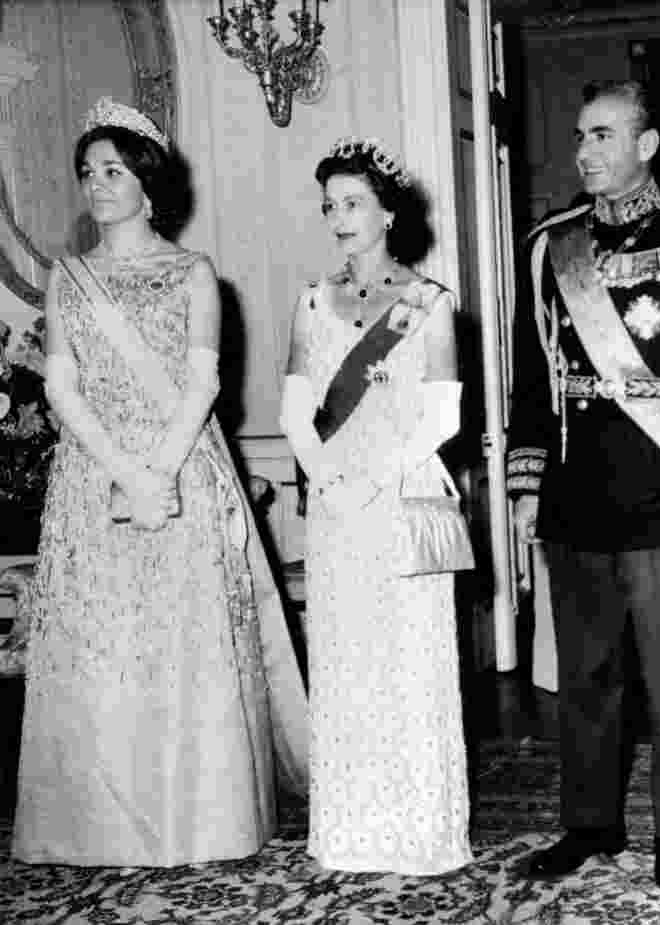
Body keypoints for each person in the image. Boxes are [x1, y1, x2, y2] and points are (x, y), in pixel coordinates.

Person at [13, 98, 308, 867]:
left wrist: (161, 471)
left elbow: (203, 381)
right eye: (87, 172)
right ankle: (99, 826)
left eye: (112, 170)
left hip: (183, 469)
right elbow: (60, 387)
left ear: (147, 183)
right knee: (103, 648)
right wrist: (123, 471)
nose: (97, 185)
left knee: (182, 645)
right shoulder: (68, 278)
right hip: (93, 473)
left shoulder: (193, 272)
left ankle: (199, 819)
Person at [506, 80, 660, 891]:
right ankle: (590, 822)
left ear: (646, 145)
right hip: (579, 492)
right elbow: (530, 382)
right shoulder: (551, 245)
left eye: (604, 135)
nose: (584, 151)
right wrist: (525, 482)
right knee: (585, 675)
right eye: (581, 136)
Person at [279, 138, 472, 875]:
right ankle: (353, 828)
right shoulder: (309, 301)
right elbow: (297, 410)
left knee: (409, 665)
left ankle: (419, 832)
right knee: (346, 663)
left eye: (353, 202)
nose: (339, 217)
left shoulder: (429, 302)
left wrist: (373, 480)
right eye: (330, 204)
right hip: (335, 508)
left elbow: (444, 415)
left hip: (401, 494)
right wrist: (329, 480)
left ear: (389, 211)